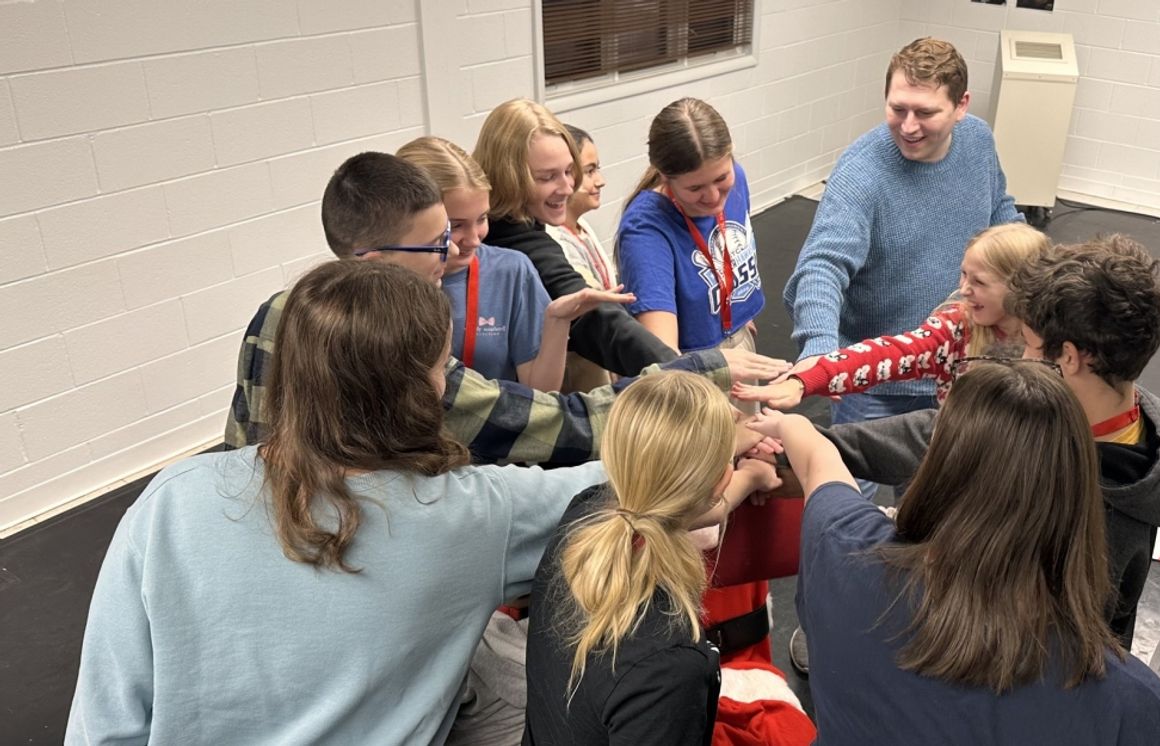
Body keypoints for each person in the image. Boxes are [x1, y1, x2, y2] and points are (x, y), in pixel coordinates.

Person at [68, 261, 612, 743]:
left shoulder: (172, 499)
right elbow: (645, 482)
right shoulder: (479, 514)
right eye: (442, 366)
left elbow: (106, 721)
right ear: (421, 389)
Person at [225, 151, 789, 466]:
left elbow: (241, 456)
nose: (453, 251)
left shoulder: (275, 313)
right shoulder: (395, 345)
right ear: (369, 258)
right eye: (434, 244)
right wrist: (695, 375)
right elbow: (551, 425)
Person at [748, 363, 1160, 745]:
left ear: (937, 466)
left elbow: (819, 463)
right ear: (1076, 497)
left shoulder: (840, 550)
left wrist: (789, 427)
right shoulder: (1132, 708)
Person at [814, 235, 1160, 649]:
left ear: (1069, 357)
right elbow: (946, 433)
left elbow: (1065, 651)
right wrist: (809, 444)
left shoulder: (1103, 519)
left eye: (1031, 348)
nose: (1023, 361)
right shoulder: (1112, 415)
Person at [782, 37, 1023, 468]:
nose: (908, 126)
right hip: (873, 385)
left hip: (957, 372)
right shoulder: (862, 172)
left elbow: (1000, 212)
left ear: (961, 106)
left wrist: (1037, 271)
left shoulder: (978, 141)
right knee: (859, 502)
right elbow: (821, 266)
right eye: (898, 109)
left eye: (925, 112)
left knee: (936, 503)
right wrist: (820, 349)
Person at [523, 372, 796, 745]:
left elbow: (664, 506)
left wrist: (743, 476)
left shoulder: (586, 511)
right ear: (720, 479)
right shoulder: (671, 664)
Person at [475, 99, 720, 379]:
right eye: (546, 177)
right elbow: (593, 317)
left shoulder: (524, 223)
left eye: (569, 171)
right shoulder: (509, 237)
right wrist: (681, 372)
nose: (568, 187)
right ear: (509, 176)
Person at [735, 223, 1046, 410]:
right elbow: (885, 355)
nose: (963, 289)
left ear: (1019, 287)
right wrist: (806, 382)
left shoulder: (1054, 340)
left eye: (979, 282)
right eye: (963, 275)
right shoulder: (957, 328)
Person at [399, 135, 625, 390]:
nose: (474, 239)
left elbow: (541, 393)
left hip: (495, 427)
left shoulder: (511, 271)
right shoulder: (388, 281)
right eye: (457, 225)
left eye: (482, 218)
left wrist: (557, 324)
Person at [616, 97, 764, 357]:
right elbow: (663, 353)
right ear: (664, 176)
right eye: (695, 188)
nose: (714, 197)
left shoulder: (736, 178)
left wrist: (737, 318)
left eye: (721, 178)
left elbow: (732, 250)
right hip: (691, 369)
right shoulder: (645, 230)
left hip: (737, 343)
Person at [545, 124, 618, 392]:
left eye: (597, 168)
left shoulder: (583, 229)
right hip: (580, 373)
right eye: (589, 171)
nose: (600, 180)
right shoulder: (552, 242)